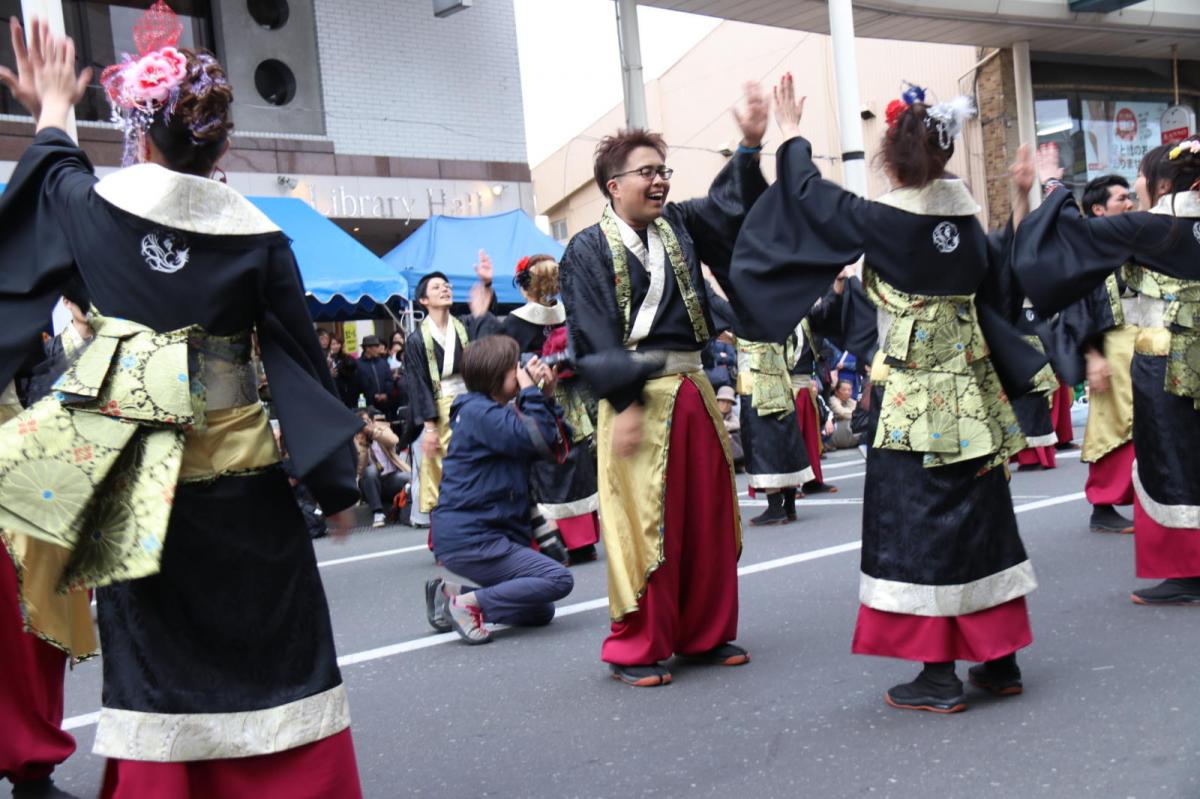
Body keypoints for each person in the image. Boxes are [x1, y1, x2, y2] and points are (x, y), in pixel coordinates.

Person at [0, 13, 363, 796]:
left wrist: (54, 106)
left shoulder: (94, 213)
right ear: (220, 143)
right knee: (278, 658)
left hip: (142, 498)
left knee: (160, 676)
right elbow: (301, 365)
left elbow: (52, 169)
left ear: (140, 136)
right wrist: (336, 485)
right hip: (248, 489)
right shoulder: (259, 237)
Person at [731, 75, 1045, 713]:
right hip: (975, 398)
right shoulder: (970, 229)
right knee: (981, 516)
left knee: (918, 523)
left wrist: (791, 134)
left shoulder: (887, 223)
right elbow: (1006, 292)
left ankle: (936, 674)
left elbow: (811, 197)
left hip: (912, 402)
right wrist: (1018, 198)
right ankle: (999, 658)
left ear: (893, 160)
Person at [559, 81, 769, 686]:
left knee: (704, 518)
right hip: (638, 399)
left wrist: (749, 145)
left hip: (694, 388)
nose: (659, 182)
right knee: (643, 527)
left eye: (664, 170)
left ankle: (703, 634)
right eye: (646, 172)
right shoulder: (586, 250)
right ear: (612, 186)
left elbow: (730, 207)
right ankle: (638, 645)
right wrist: (622, 401)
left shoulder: (678, 223)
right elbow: (592, 337)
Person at [1013, 139, 1200, 605]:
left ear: (1161, 184)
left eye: (1138, 177)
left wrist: (1052, 183)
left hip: (1166, 359)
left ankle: (1187, 572)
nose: (1134, 189)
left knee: (1173, 463)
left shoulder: (1151, 229)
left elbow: (1073, 236)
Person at [426, 337, 574, 644]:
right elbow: (537, 440)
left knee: (539, 610)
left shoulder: (493, 410)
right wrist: (532, 392)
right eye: (515, 367)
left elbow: (557, 443)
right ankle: (467, 606)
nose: (521, 371)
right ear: (497, 374)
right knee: (557, 579)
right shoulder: (481, 413)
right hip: (474, 538)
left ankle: (451, 595)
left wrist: (544, 394)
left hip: (484, 533)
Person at [1050, 174, 1137, 533]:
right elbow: (1076, 302)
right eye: (1121, 199)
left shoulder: (1131, 238)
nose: (1129, 203)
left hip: (1140, 339)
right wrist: (1093, 354)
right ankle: (1103, 503)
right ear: (1099, 209)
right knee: (1115, 425)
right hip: (1110, 344)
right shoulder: (1085, 248)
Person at [502, 254, 601, 563]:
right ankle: (582, 540)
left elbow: (507, 363)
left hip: (535, 398)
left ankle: (552, 538)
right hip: (576, 400)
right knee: (578, 462)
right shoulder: (571, 313)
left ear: (524, 285)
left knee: (544, 465)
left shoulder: (514, 322)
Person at [404, 256, 499, 519]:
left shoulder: (465, 325)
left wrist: (487, 284)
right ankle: (448, 534)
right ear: (423, 300)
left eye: (446, 285)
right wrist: (430, 428)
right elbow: (418, 384)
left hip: (471, 406)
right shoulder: (415, 340)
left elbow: (485, 321)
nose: (445, 288)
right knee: (443, 475)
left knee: (478, 467)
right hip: (440, 412)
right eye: (436, 287)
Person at [736, 334, 812, 525]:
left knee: (763, 444)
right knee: (785, 439)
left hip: (755, 377)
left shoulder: (750, 307)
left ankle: (775, 506)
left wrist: (734, 338)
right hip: (780, 373)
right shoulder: (780, 307)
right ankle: (789, 506)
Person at [355, 407, 411, 528]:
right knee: (371, 470)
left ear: (371, 421)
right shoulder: (355, 439)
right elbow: (360, 469)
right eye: (360, 423)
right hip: (369, 483)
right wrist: (363, 444)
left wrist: (372, 433)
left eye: (365, 421)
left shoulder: (381, 428)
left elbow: (394, 440)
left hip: (390, 478)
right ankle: (378, 513)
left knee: (410, 478)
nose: (364, 425)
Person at [354, 334, 398, 418]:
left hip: (385, 405)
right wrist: (373, 395)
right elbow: (359, 385)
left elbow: (389, 380)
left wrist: (386, 394)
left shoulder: (383, 363)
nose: (379, 349)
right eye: (376, 346)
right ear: (367, 348)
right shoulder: (358, 364)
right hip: (367, 406)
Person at [715, 385, 744, 467]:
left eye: (728, 402)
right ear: (717, 401)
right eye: (723, 401)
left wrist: (726, 428)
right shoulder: (712, 413)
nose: (725, 405)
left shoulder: (731, 415)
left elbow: (737, 424)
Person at [328, 335, 358, 408]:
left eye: (338, 344)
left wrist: (339, 366)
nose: (336, 346)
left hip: (346, 392)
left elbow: (352, 366)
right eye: (333, 344)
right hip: (333, 392)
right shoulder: (327, 358)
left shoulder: (346, 357)